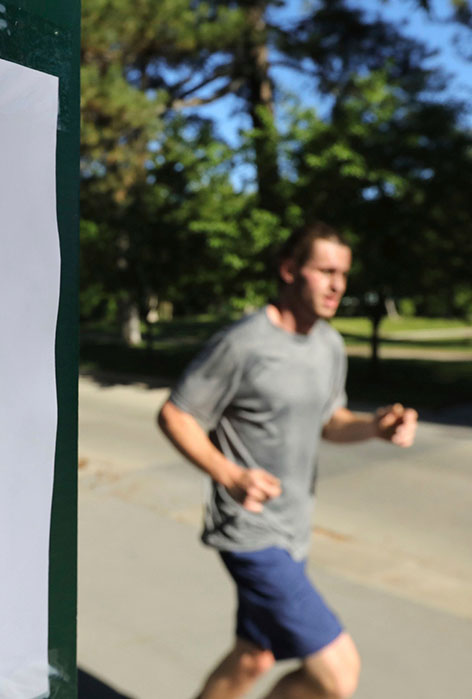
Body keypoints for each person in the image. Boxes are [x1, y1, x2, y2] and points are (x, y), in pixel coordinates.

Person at [157, 222, 418, 699]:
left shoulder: (329, 344)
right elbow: (176, 414)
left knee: (253, 658)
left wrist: (375, 427)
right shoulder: (244, 343)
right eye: (325, 271)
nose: (338, 284)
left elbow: (330, 422)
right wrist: (229, 474)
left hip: (295, 530)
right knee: (337, 674)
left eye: (343, 273)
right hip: (251, 534)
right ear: (289, 270)